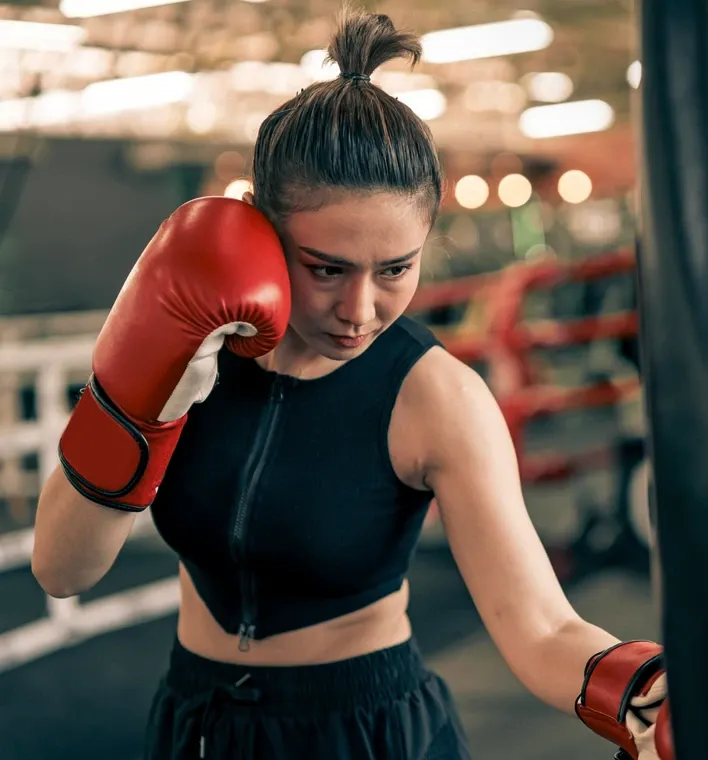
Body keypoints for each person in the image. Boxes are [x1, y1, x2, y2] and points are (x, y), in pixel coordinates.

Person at [30, 8, 672, 760]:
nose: (360, 312)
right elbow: (59, 569)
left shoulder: (436, 398)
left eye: (396, 269)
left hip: (363, 730)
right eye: (326, 269)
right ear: (260, 229)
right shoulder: (190, 352)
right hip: (197, 722)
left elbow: (539, 624)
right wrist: (146, 403)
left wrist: (634, 687)